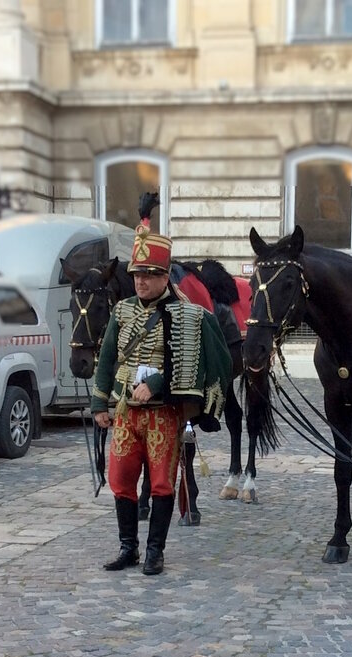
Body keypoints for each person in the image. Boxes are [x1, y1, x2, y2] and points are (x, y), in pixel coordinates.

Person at [91, 217, 232, 576]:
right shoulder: (121, 312)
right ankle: (128, 548)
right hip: (125, 412)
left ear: (164, 276)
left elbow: (194, 367)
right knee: (121, 480)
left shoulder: (186, 315)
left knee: (160, 483)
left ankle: (155, 551)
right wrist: (99, 403)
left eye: (149, 275)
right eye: (137, 274)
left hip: (162, 414)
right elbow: (107, 357)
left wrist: (156, 383)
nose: (141, 281)